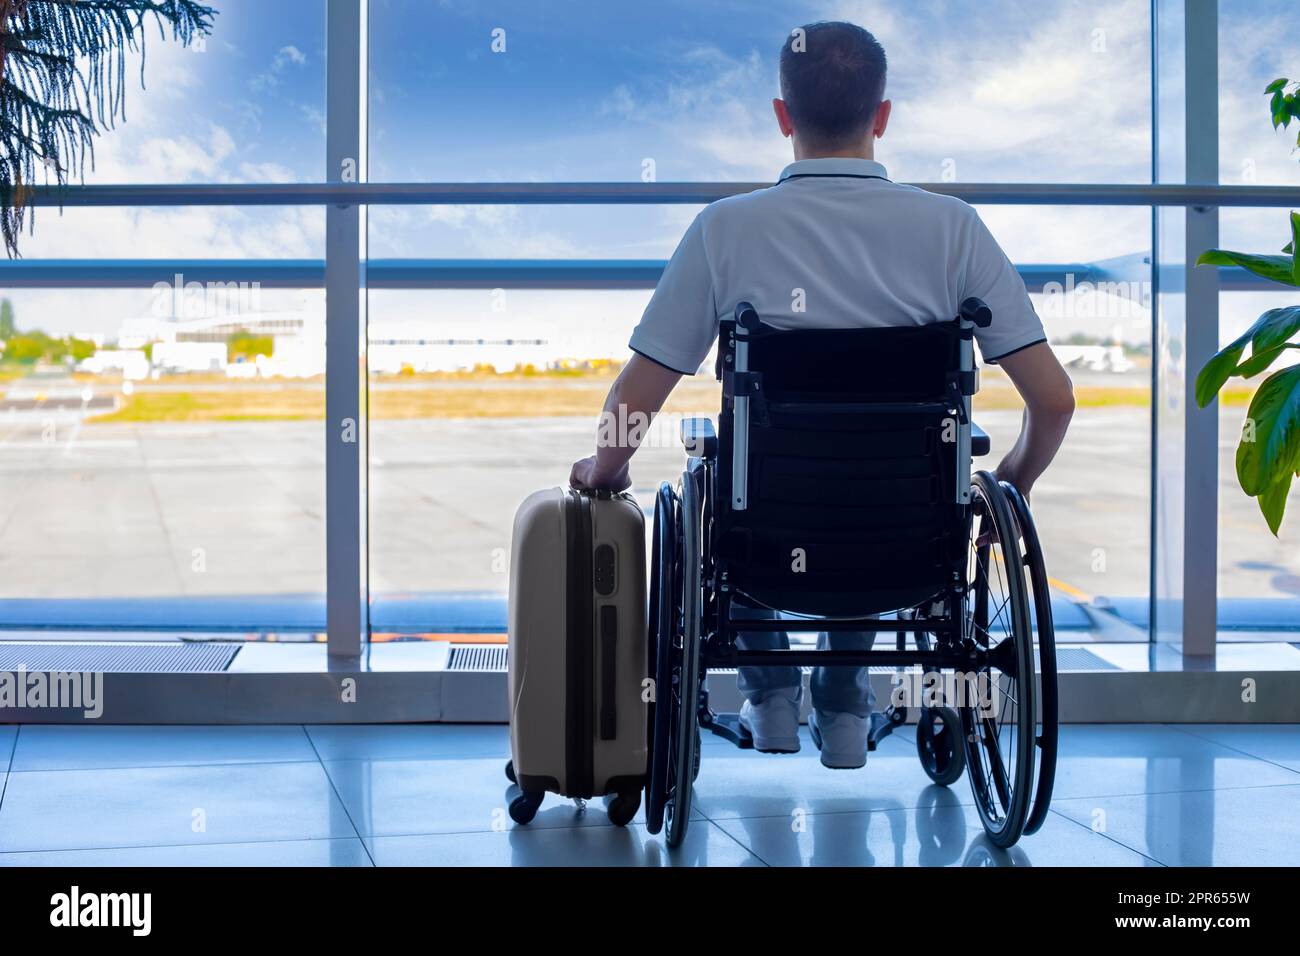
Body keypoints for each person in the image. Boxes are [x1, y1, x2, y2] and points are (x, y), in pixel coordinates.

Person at [569, 20, 1074, 769]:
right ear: (882, 116)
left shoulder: (725, 230)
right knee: (878, 477)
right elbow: (1053, 400)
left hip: (763, 544)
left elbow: (641, 394)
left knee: (728, 476)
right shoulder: (954, 230)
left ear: (782, 116)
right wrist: (1012, 486)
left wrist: (603, 472)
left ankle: (773, 701)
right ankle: (844, 713)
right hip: (911, 545)